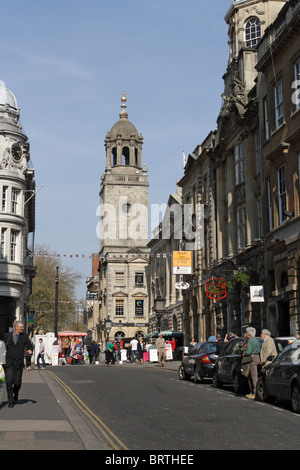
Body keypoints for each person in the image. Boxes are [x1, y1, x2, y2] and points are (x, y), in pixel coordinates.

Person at [3, 321, 33, 408]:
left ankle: (16, 394)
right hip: (8, 362)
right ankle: (10, 401)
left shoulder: (24, 336)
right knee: (9, 382)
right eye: (21, 327)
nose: (23, 328)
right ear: (16, 327)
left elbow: (29, 345)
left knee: (17, 382)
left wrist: (30, 350)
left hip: (18, 362)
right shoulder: (7, 336)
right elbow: (2, 347)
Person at [243, 327, 260, 399]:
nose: (246, 334)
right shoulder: (256, 340)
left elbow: (248, 351)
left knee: (253, 376)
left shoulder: (250, 341)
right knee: (252, 376)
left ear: (249, 334)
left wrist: (244, 353)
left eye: (246, 333)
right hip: (256, 357)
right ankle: (252, 392)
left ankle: (255, 393)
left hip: (251, 358)